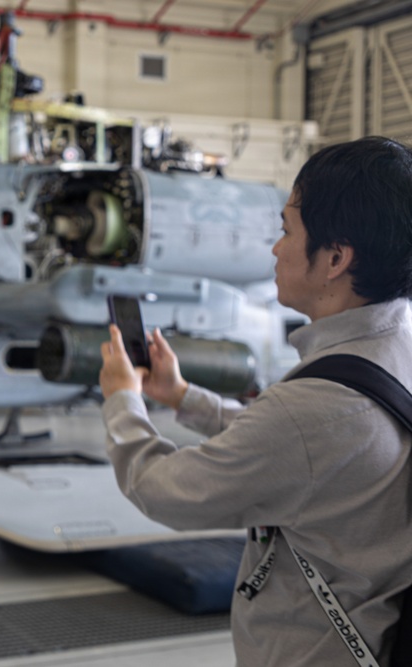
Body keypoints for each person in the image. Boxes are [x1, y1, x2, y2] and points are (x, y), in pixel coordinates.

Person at [99, 136, 412, 666]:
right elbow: (300, 452)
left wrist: (122, 402)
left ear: (335, 258)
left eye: (286, 230)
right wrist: (181, 397)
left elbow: (165, 491)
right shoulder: (393, 350)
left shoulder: (313, 409)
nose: (275, 248)